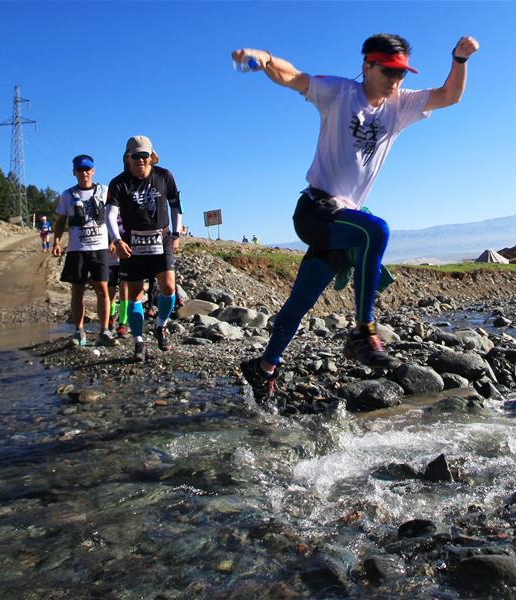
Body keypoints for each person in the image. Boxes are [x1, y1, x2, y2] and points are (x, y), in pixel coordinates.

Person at [232, 33, 479, 401]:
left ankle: (263, 367)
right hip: (316, 210)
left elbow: (450, 96)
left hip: (344, 220)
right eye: (389, 71)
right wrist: (265, 56)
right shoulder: (339, 93)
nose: (396, 80)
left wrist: (459, 60)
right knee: (376, 231)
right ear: (368, 66)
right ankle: (363, 331)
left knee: (301, 302)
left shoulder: (401, 104)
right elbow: (292, 77)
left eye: (402, 73)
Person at [106, 136, 183, 362]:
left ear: (151, 156)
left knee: (168, 286)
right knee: (134, 295)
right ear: (127, 158)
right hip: (133, 244)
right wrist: (117, 241)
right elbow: (109, 214)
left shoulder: (164, 176)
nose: (141, 160)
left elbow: (176, 206)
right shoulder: (119, 183)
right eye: (136, 156)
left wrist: (177, 235)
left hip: (162, 238)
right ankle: (139, 342)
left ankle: (161, 326)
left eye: (144, 155)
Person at [52, 154, 114, 347]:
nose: (84, 173)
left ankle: (104, 331)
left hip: (100, 248)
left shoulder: (105, 191)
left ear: (93, 171)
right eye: (80, 169)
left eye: (87, 169)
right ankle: (79, 332)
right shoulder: (67, 195)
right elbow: (61, 220)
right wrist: (56, 241)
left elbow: (114, 217)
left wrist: (115, 240)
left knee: (102, 289)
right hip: (77, 249)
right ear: (74, 172)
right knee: (76, 290)